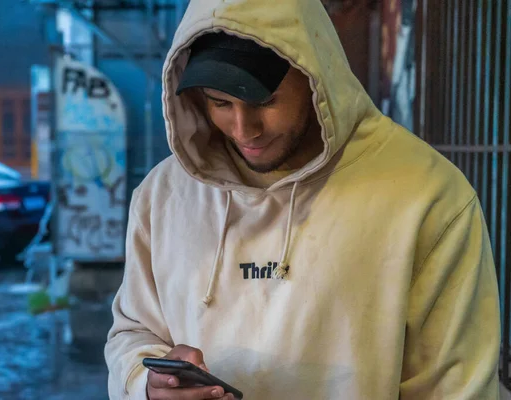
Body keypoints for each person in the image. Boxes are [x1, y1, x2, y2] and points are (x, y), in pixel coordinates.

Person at [106, 0, 501, 398]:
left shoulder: (426, 195)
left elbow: (457, 384)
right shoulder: (164, 196)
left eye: (264, 101)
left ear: (316, 77)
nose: (244, 130)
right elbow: (133, 331)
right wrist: (149, 386)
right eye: (219, 102)